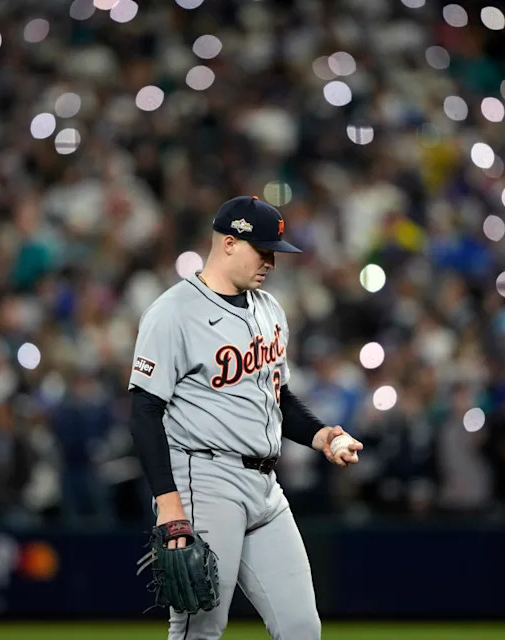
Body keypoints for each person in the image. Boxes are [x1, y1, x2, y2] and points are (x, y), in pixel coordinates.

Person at [128, 196, 363, 639]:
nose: (271, 262)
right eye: (263, 250)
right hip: (205, 481)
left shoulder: (269, 308)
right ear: (229, 243)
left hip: (266, 487)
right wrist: (169, 503)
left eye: (275, 252)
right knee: (200, 629)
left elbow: (277, 396)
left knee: (301, 627)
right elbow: (144, 411)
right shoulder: (173, 312)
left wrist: (322, 436)